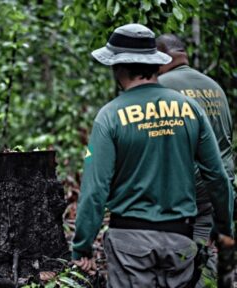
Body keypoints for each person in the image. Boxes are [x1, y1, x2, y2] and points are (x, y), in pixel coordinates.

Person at [71, 23, 234, 288]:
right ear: (154, 64)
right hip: (181, 240)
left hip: (129, 245)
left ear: (118, 67)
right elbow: (216, 175)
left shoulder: (110, 116)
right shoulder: (189, 109)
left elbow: (95, 190)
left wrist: (82, 246)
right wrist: (224, 225)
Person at [156, 34, 235, 287]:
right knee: (204, 251)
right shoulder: (215, 87)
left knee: (173, 260)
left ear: (160, 57)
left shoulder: (160, 87)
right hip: (219, 187)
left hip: (183, 189)